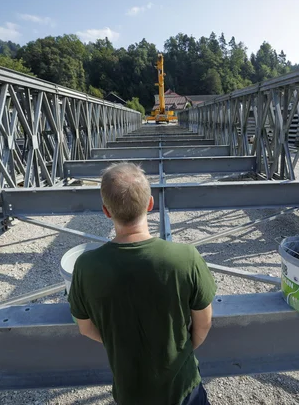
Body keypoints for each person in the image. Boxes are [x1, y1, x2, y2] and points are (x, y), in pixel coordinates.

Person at [68, 162, 217, 405]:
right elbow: (204, 324)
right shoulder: (186, 257)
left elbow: (85, 328)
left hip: (130, 393)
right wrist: (180, 350)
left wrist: (122, 341)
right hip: (183, 389)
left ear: (106, 211)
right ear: (150, 204)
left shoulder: (86, 266)